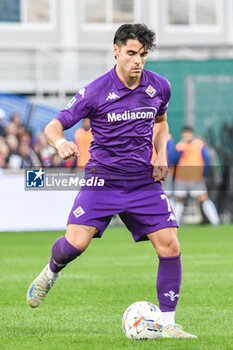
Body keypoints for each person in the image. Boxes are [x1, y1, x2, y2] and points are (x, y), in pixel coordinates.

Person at [26, 23, 197, 339]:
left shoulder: (159, 86)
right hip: (102, 182)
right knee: (75, 244)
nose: (138, 61)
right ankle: (51, 271)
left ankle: (169, 324)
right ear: (116, 51)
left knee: (170, 245)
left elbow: (161, 122)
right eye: (131, 53)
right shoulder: (94, 91)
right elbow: (53, 125)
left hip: (143, 183)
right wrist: (60, 143)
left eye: (143, 55)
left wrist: (160, 153)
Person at [173, 126, 220, 225]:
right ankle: (174, 222)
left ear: (191, 134)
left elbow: (206, 159)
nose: (186, 135)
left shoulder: (199, 144)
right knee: (179, 199)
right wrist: (180, 150)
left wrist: (204, 174)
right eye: (184, 133)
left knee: (203, 198)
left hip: (195, 177)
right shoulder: (179, 146)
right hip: (181, 177)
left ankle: (215, 221)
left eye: (188, 133)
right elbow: (175, 160)